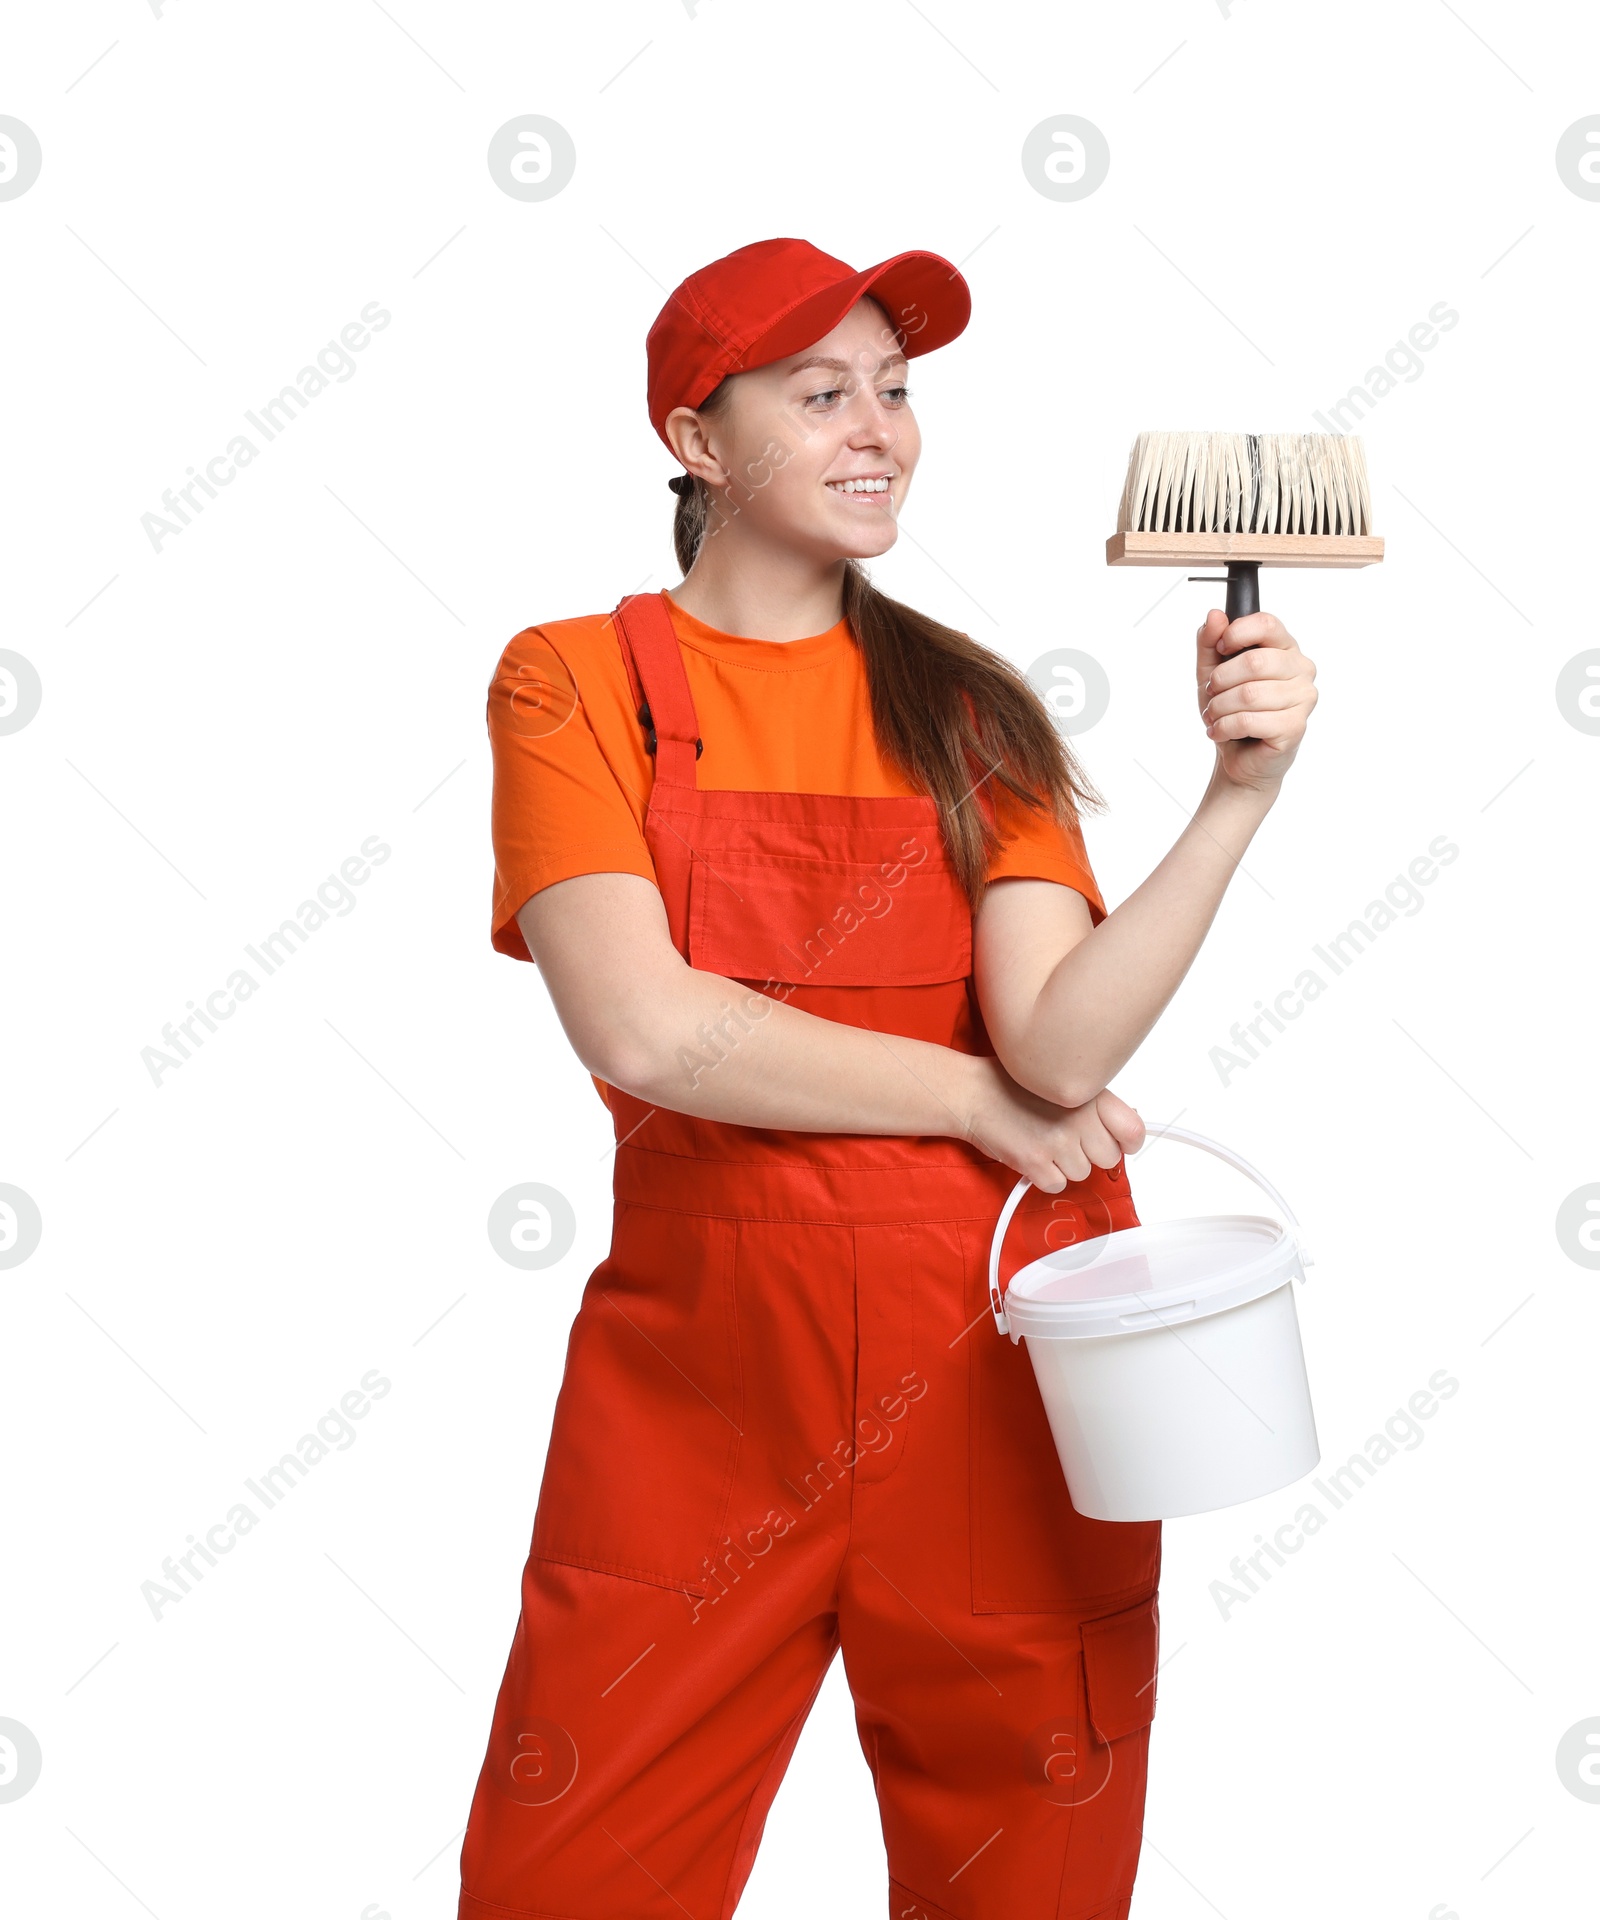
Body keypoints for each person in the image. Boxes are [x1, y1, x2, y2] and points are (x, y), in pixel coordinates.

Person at [458, 237, 1318, 1920]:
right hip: (703, 1386)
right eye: (821, 390)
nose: (881, 430)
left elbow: (1060, 1042)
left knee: (1031, 1879)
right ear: (697, 444)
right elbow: (643, 1026)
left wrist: (1239, 796)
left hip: (997, 1359)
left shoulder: (969, 710)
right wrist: (969, 1102)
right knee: (570, 1877)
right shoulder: (576, 680)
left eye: (900, 389)